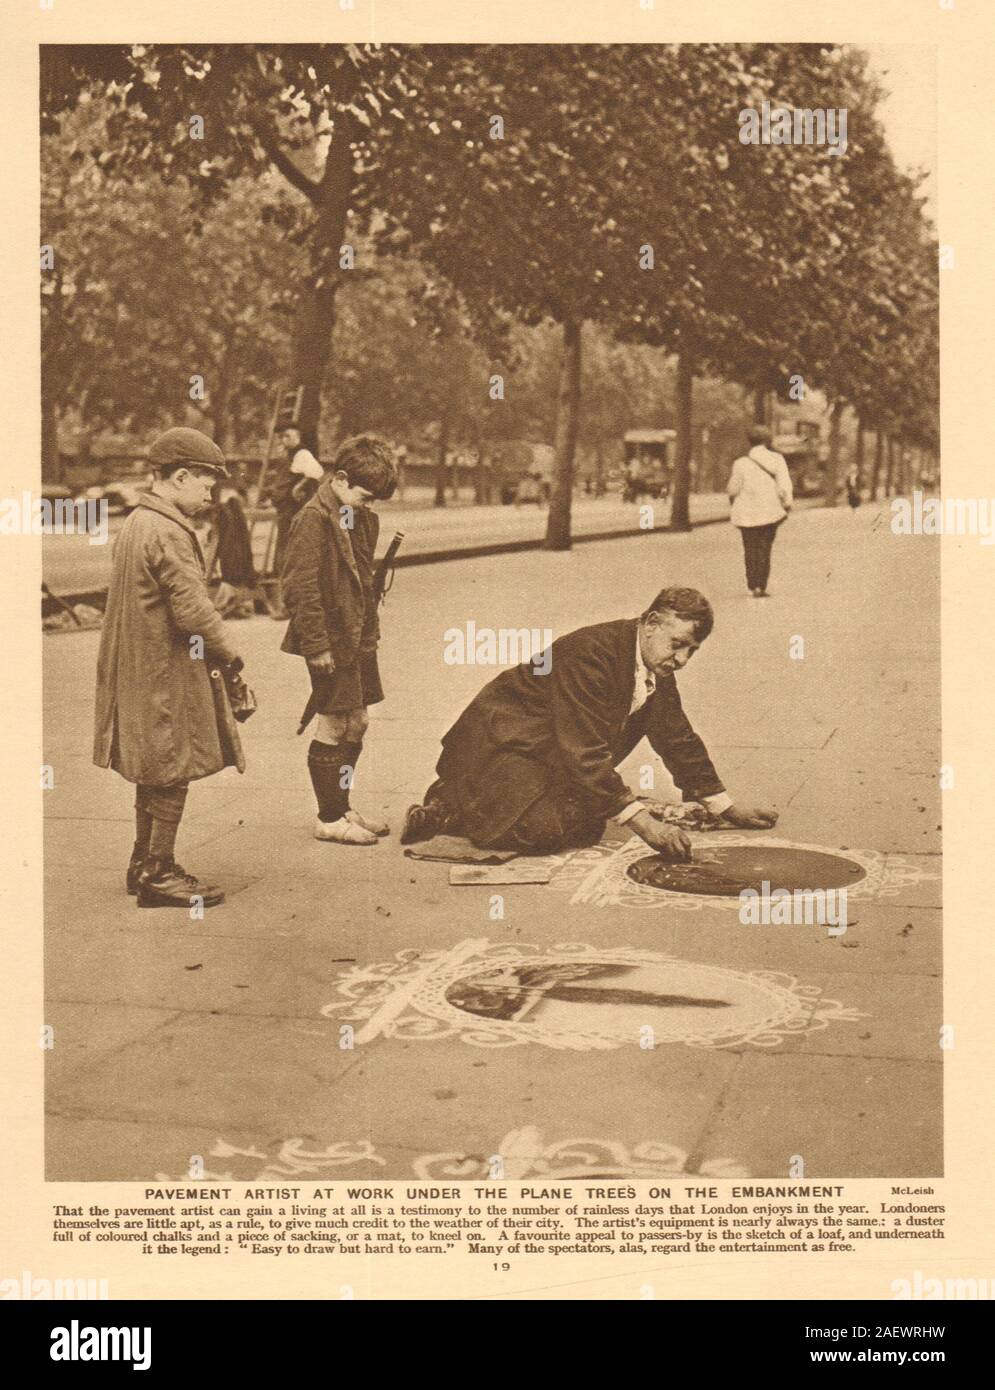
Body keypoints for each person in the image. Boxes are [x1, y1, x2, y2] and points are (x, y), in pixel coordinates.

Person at [400, 586, 777, 856]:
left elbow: (676, 736)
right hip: (499, 743)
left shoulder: (651, 665)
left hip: (547, 750)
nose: (682, 659)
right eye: (677, 644)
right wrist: (646, 825)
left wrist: (724, 806)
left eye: (691, 651)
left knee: (585, 822)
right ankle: (450, 803)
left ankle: (498, 801)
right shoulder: (591, 654)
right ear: (651, 622)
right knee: (541, 831)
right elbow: (584, 751)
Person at [93, 427, 245, 908]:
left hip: (135, 668)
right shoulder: (170, 532)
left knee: (154, 769)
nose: (210, 493)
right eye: (205, 483)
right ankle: (159, 871)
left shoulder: (138, 522)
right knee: (173, 765)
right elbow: (194, 614)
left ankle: (142, 861)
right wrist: (233, 654)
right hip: (164, 671)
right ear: (179, 477)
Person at [281, 433, 398, 845]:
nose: (369, 505)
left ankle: (342, 805)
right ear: (342, 479)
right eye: (365, 496)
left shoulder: (361, 517)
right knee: (334, 722)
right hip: (330, 640)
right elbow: (301, 588)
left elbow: (360, 579)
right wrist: (316, 646)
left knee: (358, 722)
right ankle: (329, 818)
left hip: (358, 637)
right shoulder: (312, 519)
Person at [727, 425, 793, 597]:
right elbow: (785, 485)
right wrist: (787, 504)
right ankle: (760, 586)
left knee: (750, 548)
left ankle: (752, 583)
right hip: (770, 512)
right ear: (767, 440)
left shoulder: (740, 463)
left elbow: (733, 489)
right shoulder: (777, 459)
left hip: (746, 514)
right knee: (765, 548)